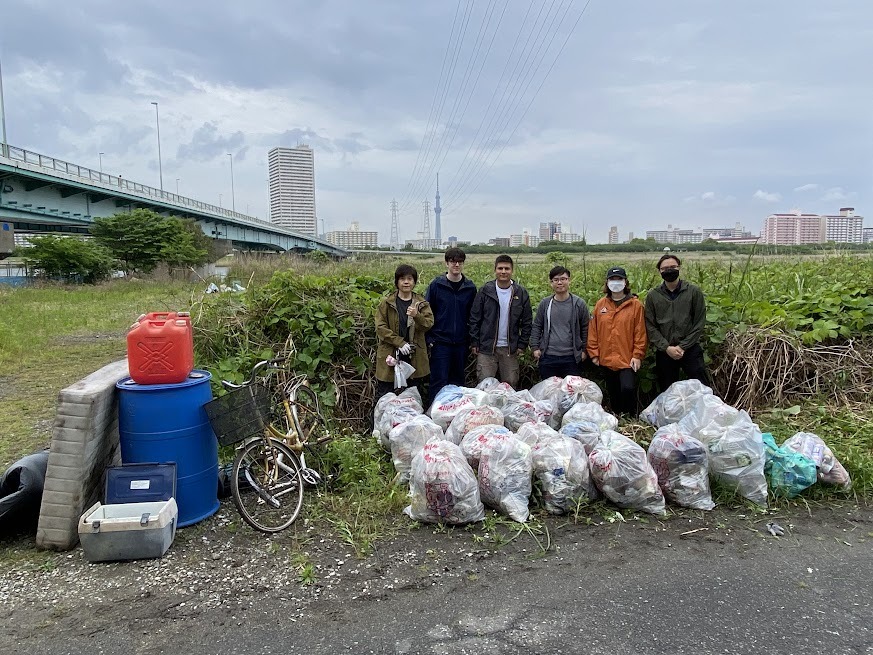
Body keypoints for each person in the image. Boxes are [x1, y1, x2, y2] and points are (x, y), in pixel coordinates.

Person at [644, 253, 709, 393]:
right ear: (659, 271)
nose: (669, 270)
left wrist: (683, 346)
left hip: (690, 348)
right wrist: (666, 347)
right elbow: (650, 325)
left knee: (701, 386)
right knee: (667, 390)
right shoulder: (653, 296)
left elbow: (699, 322)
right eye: (665, 268)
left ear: (679, 268)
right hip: (665, 350)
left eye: (673, 267)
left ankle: (708, 412)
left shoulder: (693, 291)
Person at [587, 266, 648, 415]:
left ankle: (630, 418)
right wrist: (594, 353)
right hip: (606, 357)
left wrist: (637, 355)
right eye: (612, 279)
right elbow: (593, 330)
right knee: (613, 391)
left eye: (619, 279)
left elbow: (640, 332)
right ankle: (617, 419)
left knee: (627, 388)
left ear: (625, 282)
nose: (616, 282)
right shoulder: (601, 305)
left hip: (627, 358)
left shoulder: (635, 305)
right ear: (607, 283)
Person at [469, 254, 532, 389]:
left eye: (507, 269)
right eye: (500, 268)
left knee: (510, 385)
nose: (503, 272)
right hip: (486, 348)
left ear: (512, 270)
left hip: (510, 348)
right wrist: (475, 341)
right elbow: (475, 318)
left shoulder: (520, 293)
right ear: (495, 270)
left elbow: (527, 321)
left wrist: (522, 344)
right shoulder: (485, 291)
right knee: (485, 386)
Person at [375, 264, 434, 402]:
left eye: (409, 279)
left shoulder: (422, 304)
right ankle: (382, 422)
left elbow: (428, 324)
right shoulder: (386, 303)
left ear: (414, 282)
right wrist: (399, 342)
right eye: (402, 279)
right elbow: (380, 327)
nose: (406, 282)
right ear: (397, 282)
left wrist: (417, 315)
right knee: (386, 394)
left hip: (414, 355)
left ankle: (412, 423)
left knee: (413, 396)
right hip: (391, 353)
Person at [425, 248, 477, 402]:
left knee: (457, 381)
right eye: (453, 261)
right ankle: (433, 413)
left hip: (461, 342)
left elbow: (473, 317)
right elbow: (428, 313)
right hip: (440, 342)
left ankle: (454, 416)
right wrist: (430, 338)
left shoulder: (470, 287)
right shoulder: (436, 285)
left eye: (460, 262)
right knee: (438, 380)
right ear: (446, 263)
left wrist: (472, 339)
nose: (456, 265)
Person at [530, 265, 590, 379]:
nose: (560, 282)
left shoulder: (579, 304)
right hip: (548, 356)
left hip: (571, 357)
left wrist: (584, 350)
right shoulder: (545, 303)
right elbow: (537, 326)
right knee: (549, 392)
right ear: (551, 283)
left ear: (569, 281)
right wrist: (535, 347)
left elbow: (585, 328)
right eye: (556, 280)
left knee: (570, 393)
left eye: (563, 279)